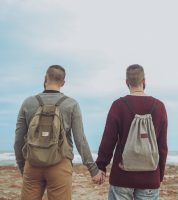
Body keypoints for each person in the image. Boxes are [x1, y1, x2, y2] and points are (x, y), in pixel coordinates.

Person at [14, 65, 103, 200]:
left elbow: (18, 140)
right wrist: (93, 170)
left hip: (32, 164)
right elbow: (80, 140)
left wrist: (23, 166)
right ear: (63, 82)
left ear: (45, 78)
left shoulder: (28, 103)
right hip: (60, 164)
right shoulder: (71, 104)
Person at [95, 64, 168, 200]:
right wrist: (159, 174)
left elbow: (108, 140)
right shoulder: (159, 106)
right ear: (144, 81)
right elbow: (162, 146)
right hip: (150, 177)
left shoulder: (118, 105)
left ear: (127, 82)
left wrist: (101, 166)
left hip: (122, 176)